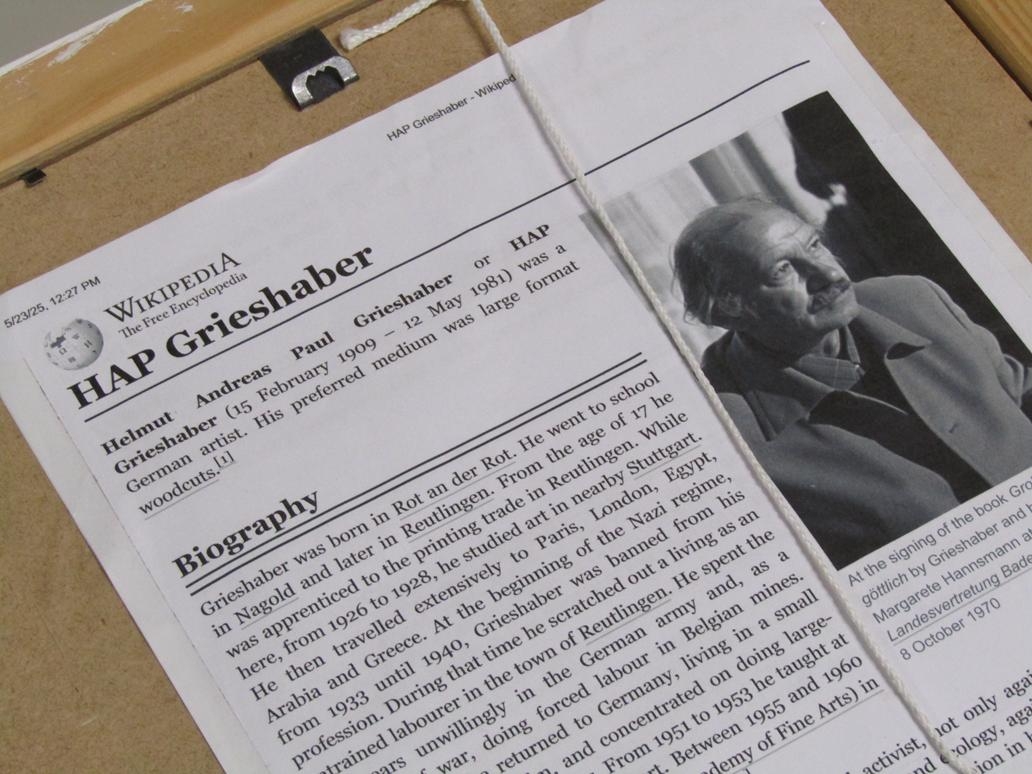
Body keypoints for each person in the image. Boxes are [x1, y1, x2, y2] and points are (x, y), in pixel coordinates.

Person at [673, 199, 1032, 568]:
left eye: (814, 245)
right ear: (728, 309)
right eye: (782, 269)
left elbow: (1018, 391)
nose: (829, 274)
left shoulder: (914, 299)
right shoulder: (726, 434)